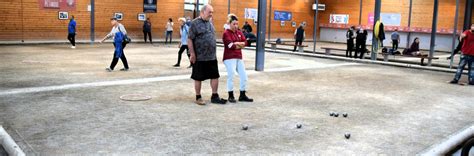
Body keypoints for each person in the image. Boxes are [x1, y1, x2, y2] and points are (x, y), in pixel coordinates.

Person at [188, 4, 227, 105]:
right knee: (198, 77)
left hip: (211, 56)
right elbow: (190, 39)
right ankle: (198, 97)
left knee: (215, 76)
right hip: (200, 57)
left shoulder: (210, 23)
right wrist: (192, 53)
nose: (211, 14)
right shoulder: (194, 23)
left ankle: (214, 96)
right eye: (210, 12)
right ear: (202, 12)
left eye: (212, 12)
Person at [222, 14, 254, 103]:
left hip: (239, 57)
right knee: (231, 75)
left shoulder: (239, 32)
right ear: (229, 24)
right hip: (229, 58)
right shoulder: (226, 33)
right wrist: (239, 44)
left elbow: (246, 43)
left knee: (244, 76)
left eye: (237, 24)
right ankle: (230, 95)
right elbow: (230, 46)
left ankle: (242, 95)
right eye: (234, 24)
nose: (236, 26)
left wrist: (237, 43)